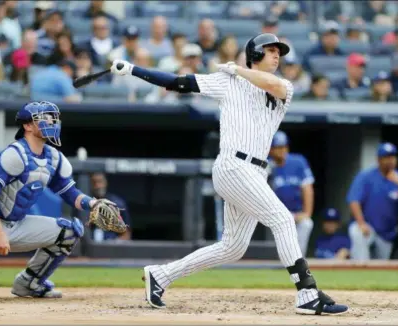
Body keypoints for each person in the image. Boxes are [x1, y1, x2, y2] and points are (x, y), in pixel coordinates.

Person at [110, 33, 348, 315]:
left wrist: (237, 68)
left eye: (278, 52)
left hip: (256, 171)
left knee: (233, 247)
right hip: (233, 166)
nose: (276, 56)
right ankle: (307, 293)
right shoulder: (227, 82)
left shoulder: (281, 86)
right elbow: (177, 82)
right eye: (270, 51)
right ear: (255, 54)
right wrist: (134, 69)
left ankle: (161, 275)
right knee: (283, 219)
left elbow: (270, 83)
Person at [0, 101, 120, 298]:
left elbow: (68, 191)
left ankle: (29, 283)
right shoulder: (14, 154)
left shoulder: (53, 157)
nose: (51, 122)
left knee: (69, 231)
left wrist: (92, 203)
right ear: (27, 125)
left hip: (15, 224)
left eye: (52, 118)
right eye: (43, 118)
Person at [347, 142, 398, 260]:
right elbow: (354, 200)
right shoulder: (366, 176)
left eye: (393, 157)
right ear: (378, 159)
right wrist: (361, 223)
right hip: (368, 227)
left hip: (386, 233)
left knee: (382, 265)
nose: (390, 160)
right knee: (356, 231)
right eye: (386, 157)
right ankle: (360, 269)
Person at [269, 131, 314, 257]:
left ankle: (298, 261)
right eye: (278, 148)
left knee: (307, 223)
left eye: (284, 147)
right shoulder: (265, 165)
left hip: (295, 213)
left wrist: (307, 213)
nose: (282, 150)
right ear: (270, 150)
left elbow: (307, 189)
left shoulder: (298, 162)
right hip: (274, 214)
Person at [89, 172, 131, 241]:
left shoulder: (117, 204)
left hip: (111, 246)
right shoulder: (85, 204)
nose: (98, 186)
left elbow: (126, 234)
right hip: (90, 246)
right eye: (94, 182)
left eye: (100, 181)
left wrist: (116, 244)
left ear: (106, 182)